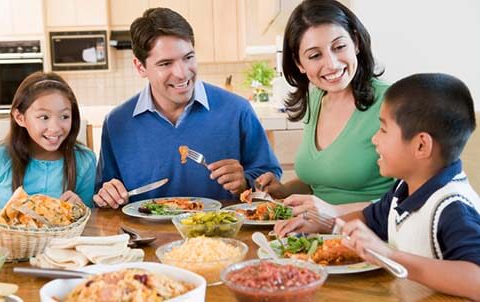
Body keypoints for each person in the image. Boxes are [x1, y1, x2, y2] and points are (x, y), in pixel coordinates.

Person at [300, 73, 480, 299]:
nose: (375, 139)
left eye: (383, 130)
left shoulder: (452, 207)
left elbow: (476, 279)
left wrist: (387, 255)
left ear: (421, 145)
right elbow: (367, 219)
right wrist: (319, 225)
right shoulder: (403, 190)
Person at [93, 7, 281, 208]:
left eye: (188, 57)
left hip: (220, 236)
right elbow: (102, 194)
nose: (182, 73)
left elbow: (270, 177)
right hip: (144, 237)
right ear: (140, 67)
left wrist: (245, 182)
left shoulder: (237, 110)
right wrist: (107, 196)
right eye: (165, 63)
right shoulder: (117, 123)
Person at [256, 0, 394, 225]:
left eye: (339, 47)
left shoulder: (392, 101)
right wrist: (282, 190)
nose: (331, 64)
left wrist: (335, 212)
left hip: (373, 240)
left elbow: (412, 200)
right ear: (299, 63)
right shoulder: (316, 97)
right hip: (320, 235)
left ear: (356, 42)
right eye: (314, 55)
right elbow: (322, 182)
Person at [0, 72, 97, 209]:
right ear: (20, 118)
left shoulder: (85, 160)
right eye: (44, 117)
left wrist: (81, 208)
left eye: (64, 116)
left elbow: (90, 219)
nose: (55, 128)